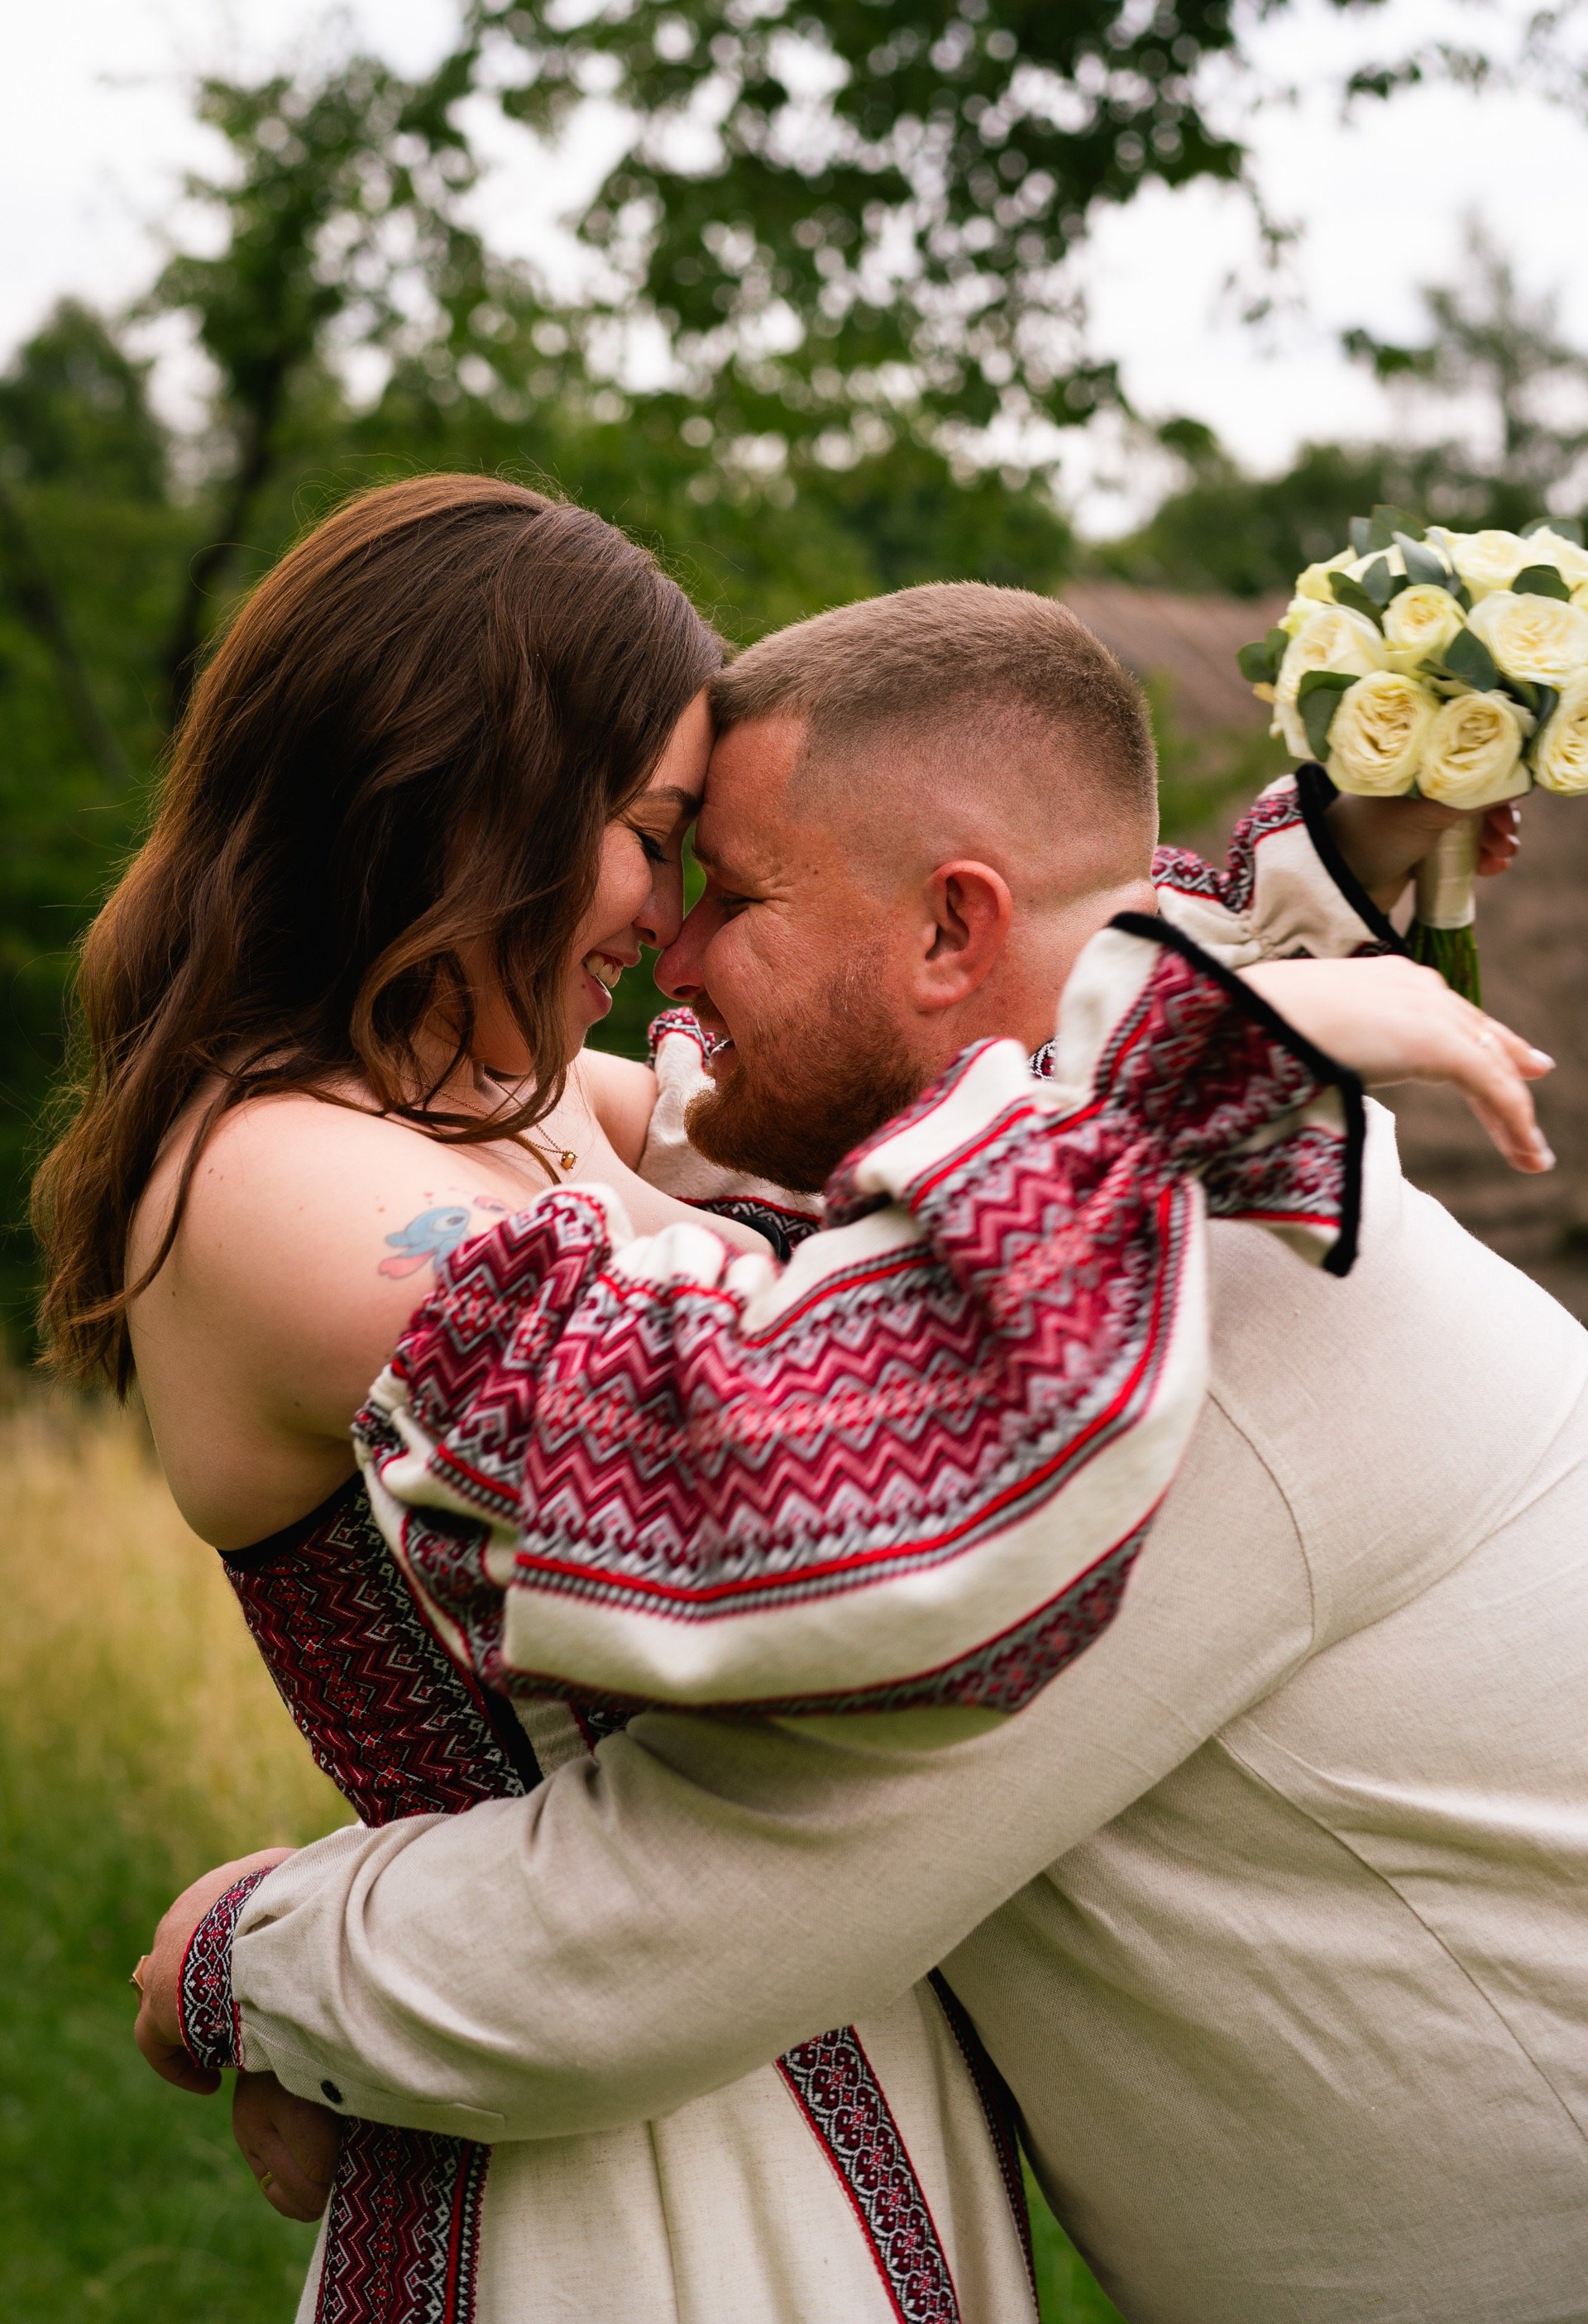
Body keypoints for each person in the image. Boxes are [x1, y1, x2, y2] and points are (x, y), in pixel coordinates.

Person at [117, 581, 1571, 2324]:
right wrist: (1216, 1015)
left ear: (954, 931)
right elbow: (754, 1306)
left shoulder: (1179, 1307)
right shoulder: (331, 1168)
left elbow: (713, 1908)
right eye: (657, 846)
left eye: (714, 877)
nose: (673, 940)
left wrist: (244, 1957)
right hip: (650, 2175)